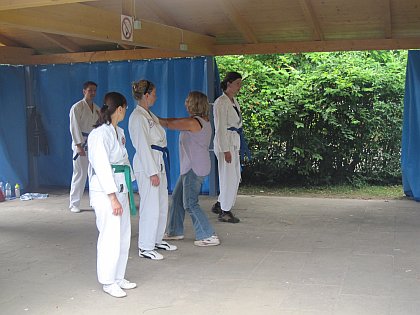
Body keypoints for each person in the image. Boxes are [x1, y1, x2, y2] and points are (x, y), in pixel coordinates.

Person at [87, 92, 136, 298]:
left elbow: (123, 161)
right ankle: (107, 281)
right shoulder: (99, 134)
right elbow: (101, 165)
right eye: (126, 108)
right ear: (120, 108)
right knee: (110, 235)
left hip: (121, 186)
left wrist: (129, 187)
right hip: (106, 191)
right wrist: (112, 197)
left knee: (123, 234)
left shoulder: (119, 131)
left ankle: (118, 276)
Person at [159, 91, 220, 247]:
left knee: (190, 203)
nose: (185, 103)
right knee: (177, 198)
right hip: (191, 166)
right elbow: (174, 121)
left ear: (194, 103)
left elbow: (170, 124)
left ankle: (208, 235)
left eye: (188, 100)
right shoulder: (198, 120)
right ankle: (174, 231)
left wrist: (151, 119)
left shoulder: (195, 122)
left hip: (195, 167)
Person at [128, 79, 177, 260]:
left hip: (159, 161)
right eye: (154, 94)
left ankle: (157, 240)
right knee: (150, 206)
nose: (156, 97)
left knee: (162, 203)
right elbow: (142, 146)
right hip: (147, 164)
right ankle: (145, 246)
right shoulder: (137, 117)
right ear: (146, 95)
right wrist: (152, 172)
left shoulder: (149, 115)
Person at [211, 71, 248, 223]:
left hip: (234, 141)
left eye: (240, 83)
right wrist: (225, 150)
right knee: (228, 177)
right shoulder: (221, 102)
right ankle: (225, 211)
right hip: (225, 143)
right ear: (229, 84)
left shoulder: (233, 101)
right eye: (237, 83)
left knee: (234, 176)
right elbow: (220, 128)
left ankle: (220, 203)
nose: (240, 86)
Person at [69, 81, 100, 213]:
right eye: (90, 90)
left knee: (94, 174)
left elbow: (100, 127)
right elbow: (74, 127)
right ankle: (74, 203)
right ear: (84, 91)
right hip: (81, 142)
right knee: (79, 174)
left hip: (93, 143)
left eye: (94, 90)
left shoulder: (97, 108)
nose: (92, 93)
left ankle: (94, 201)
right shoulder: (77, 107)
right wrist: (78, 146)